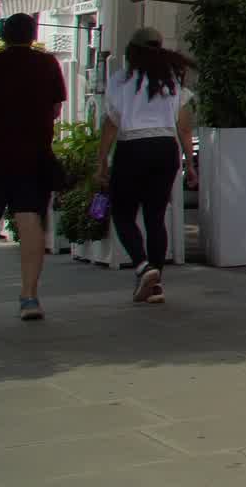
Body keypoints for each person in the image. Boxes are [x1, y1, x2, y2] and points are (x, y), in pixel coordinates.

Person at [0, 14, 67, 320]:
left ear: (3, 35)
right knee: (29, 219)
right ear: (33, 35)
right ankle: (29, 297)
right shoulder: (48, 64)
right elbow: (56, 109)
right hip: (34, 155)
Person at [96, 27, 197, 305]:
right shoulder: (172, 81)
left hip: (133, 147)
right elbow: (184, 127)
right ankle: (156, 285)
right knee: (155, 217)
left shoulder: (121, 80)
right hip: (165, 149)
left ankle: (143, 266)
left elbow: (111, 123)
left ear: (132, 50)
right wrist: (190, 163)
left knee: (123, 214)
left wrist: (101, 160)